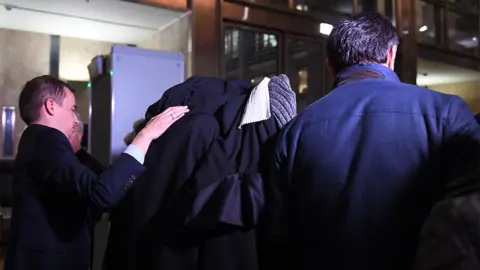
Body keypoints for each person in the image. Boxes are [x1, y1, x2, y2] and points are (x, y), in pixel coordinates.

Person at [261, 13, 480, 270]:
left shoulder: (295, 130)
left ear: (330, 64)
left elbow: (277, 237)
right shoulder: (447, 111)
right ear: (391, 55)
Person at [5, 75, 189, 270]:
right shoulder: (46, 140)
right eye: (73, 109)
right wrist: (146, 135)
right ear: (51, 106)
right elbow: (100, 194)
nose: (76, 120)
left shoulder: (35, 142)